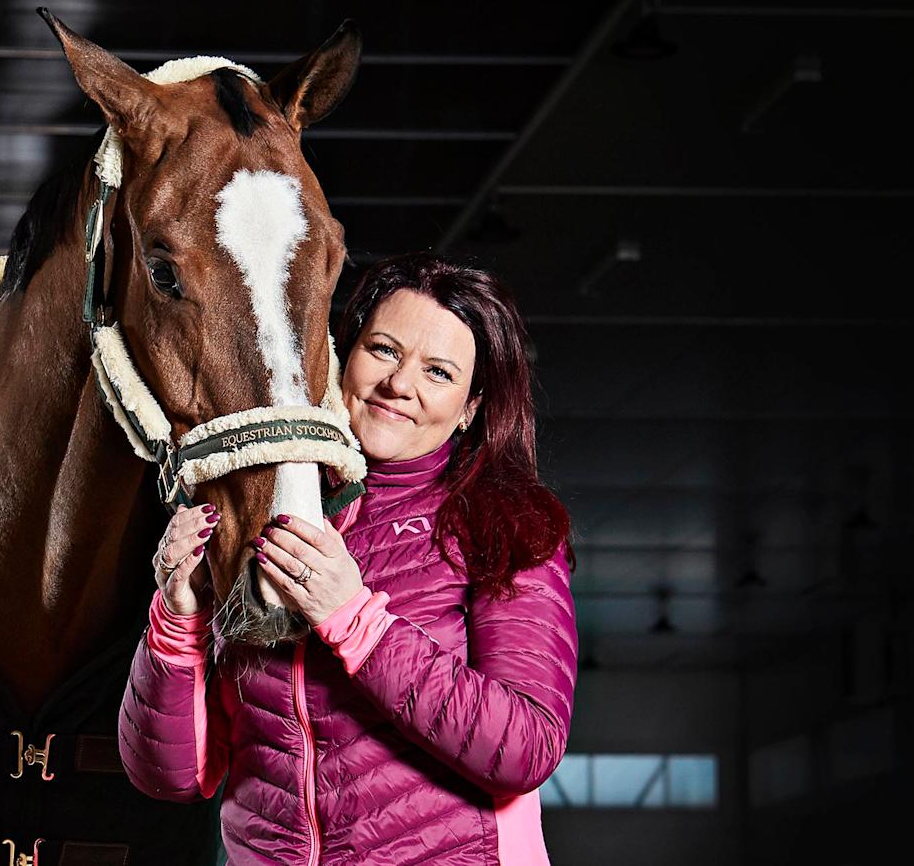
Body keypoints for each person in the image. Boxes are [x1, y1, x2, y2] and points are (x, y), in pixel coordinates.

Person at [118, 252, 578, 865]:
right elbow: (171, 777)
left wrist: (352, 615)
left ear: (471, 406)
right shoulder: (259, 513)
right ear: (339, 357)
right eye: (384, 349)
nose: (400, 385)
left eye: (438, 373)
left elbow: (526, 745)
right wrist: (178, 619)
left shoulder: (503, 528)